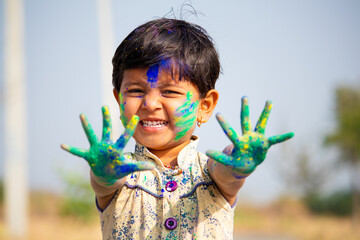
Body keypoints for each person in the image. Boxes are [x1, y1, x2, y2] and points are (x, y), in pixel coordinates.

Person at [61, 18, 294, 239]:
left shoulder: (211, 171)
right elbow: (104, 182)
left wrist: (239, 159)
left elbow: (227, 173)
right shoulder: (120, 171)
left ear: (205, 105)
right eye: (135, 91)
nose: (150, 104)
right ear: (119, 99)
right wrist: (103, 172)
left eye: (170, 92)